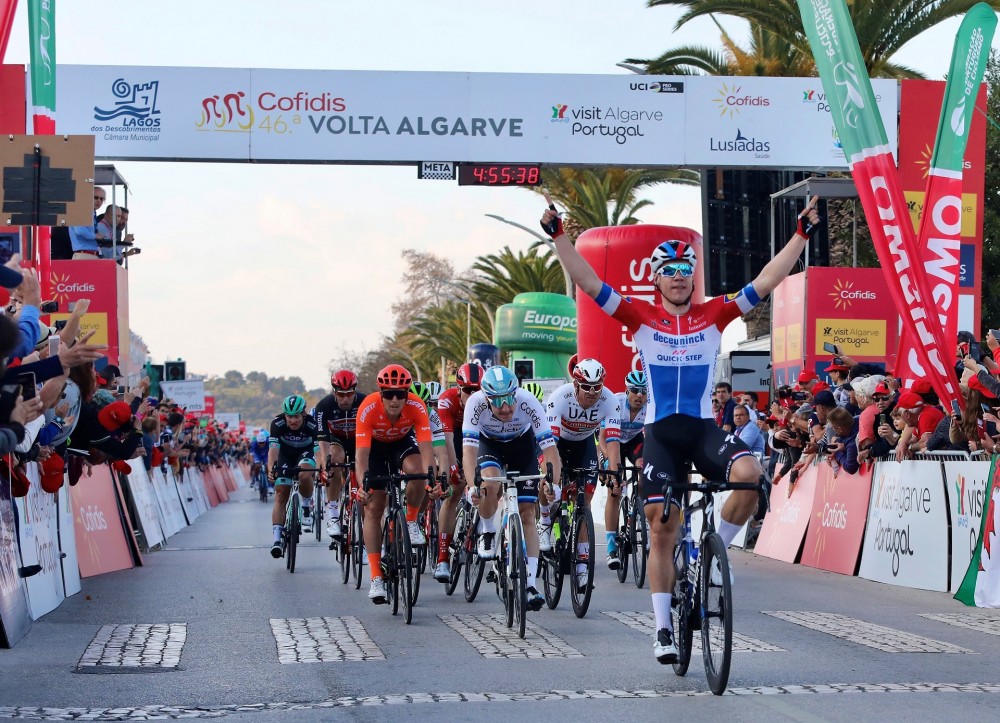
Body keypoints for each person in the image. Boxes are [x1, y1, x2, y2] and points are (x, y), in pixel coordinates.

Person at [539, 193, 821, 663]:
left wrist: (801, 235)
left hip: (702, 428)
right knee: (661, 528)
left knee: (750, 475)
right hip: (661, 435)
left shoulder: (715, 313)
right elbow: (588, 282)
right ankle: (664, 629)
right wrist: (559, 237)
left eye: (685, 269)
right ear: (656, 279)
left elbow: (766, 281)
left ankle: (713, 556)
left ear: (693, 276)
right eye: (668, 270)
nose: (678, 276)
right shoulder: (639, 316)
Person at [462, 365, 561, 612]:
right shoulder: (474, 405)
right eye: (498, 402)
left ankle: (529, 584)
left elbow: (550, 451)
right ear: (486, 399)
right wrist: (471, 486)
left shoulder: (528, 402)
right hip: (490, 446)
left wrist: (554, 485)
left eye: (509, 399)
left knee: (527, 512)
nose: (505, 408)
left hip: (521, 446)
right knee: (489, 482)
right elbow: (469, 453)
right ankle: (487, 530)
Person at [354, 364, 435, 604]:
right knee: (374, 508)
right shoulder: (367, 408)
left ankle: (410, 520)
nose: (395, 399)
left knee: (418, 471)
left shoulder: (417, 406)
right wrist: (363, 484)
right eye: (389, 394)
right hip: (375, 450)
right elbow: (361, 456)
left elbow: (427, 449)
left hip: (401, 443)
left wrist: (431, 478)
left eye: (401, 393)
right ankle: (376, 577)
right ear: (380, 393)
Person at [540, 358, 621, 583]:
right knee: (547, 479)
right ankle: (545, 521)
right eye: (587, 387)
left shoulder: (610, 401)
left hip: (584, 446)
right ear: (576, 385)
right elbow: (550, 446)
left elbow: (613, 443)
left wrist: (615, 473)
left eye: (597, 387)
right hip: (557, 444)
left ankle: (583, 567)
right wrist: (551, 476)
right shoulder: (560, 398)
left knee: (583, 503)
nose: (593, 392)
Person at [434, 362, 482, 583]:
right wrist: (454, 468)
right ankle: (442, 558)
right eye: (468, 390)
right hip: (453, 437)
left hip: (476, 440)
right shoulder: (446, 400)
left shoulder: (486, 402)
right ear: (459, 388)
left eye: (477, 390)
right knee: (453, 492)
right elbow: (448, 440)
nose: (473, 395)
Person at [599, 368, 647, 567]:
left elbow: (653, 437)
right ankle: (611, 546)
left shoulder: (650, 406)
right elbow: (602, 437)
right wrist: (609, 463)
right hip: (612, 441)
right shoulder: (615, 403)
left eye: (643, 391)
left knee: (645, 468)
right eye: (635, 390)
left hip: (634, 441)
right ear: (627, 391)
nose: (639, 395)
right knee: (615, 487)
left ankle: (639, 508)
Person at [267, 395, 319, 558]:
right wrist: (272, 469)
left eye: (296, 416)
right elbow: (273, 451)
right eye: (289, 416)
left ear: (303, 414)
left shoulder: (312, 423)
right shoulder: (277, 423)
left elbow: (318, 451)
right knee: (281, 492)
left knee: (304, 474)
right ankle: (277, 540)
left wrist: (322, 466)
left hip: (305, 453)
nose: (292, 421)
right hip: (285, 455)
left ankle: (305, 507)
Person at [313, 369, 364, 538]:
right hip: (336, 439)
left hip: (359, 439)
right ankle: (333, 515)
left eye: (349, 394)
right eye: (340, 394)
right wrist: (326, 462)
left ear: (355, 390)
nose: (345, 399)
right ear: (334, 391)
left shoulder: (365, 402)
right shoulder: (324, 406)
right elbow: (322, 437)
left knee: (364, 460)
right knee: (334, 459)